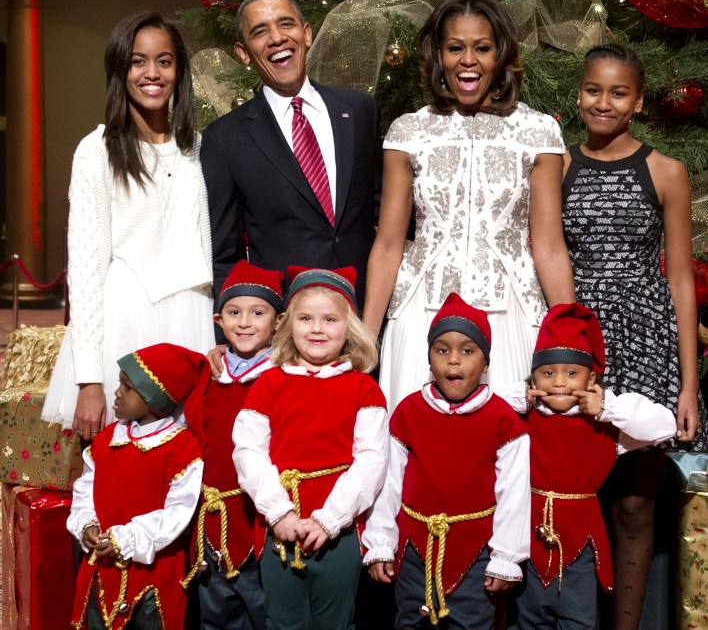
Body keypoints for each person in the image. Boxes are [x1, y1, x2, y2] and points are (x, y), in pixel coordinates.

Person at [363, 0, 575, 411]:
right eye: (455, 48)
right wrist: (366, 337)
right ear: (439, 55)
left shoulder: (537, 131)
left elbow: (548, 244)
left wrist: (570, 335)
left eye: (482, 48)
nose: (468, 61)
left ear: (501, 55)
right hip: (422, 309)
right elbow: (388, 243)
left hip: (510, 311)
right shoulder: (409, 131)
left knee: (505, 451)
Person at [561, 43, 708, 629]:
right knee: (573, 489)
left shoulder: (665, 171)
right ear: (579, 95)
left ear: (638, 101)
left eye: (618, 92)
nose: (604, 102)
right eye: (594, 89)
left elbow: (679, 279)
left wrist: (688, 383)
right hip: (576, 340)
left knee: (632, 501)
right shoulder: (558, 164)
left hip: (645, 340)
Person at [42, 12, 215, 441]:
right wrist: (88, 380)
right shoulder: (96, 151)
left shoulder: (196, 147)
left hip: (192, 316)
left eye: (164, 61)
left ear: (179, 70)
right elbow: (84, 269)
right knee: (119, 460)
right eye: (138, 61)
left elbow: (207, 242)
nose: (152, 73)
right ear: (120, 69)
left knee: (187, 459)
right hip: (127, 317)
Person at [497, 303, 676, 630]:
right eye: (548, 373)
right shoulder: (520, 420)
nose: (559, 382)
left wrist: (608, 406)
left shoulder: (606, 427)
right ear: (533, 377)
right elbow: (482, 404)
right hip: (527, 536)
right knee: (527, 617)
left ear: (591, 378)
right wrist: (517, 396)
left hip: (580, 543)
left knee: (577, 618)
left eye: (571, 372)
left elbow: (665, 426)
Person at [202, 0, 381, 309]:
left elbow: (384, 215)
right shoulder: (225, 138)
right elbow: (224, 257)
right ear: (243, 52)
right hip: (285, 324)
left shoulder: (359, 110)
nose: (277, 38)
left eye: (286, 24)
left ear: (307, 33)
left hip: (366, 314)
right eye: (260, 32)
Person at [362, 293, 530, 629]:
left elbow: (514, 493)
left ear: (485, 363)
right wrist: (380, 541)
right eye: (442, 350)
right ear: (429, 359)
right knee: (411, 621)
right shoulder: (408, 411)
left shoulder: (503, 419)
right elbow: (388, 482)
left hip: (476, 552)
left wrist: (506, 557)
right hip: (414, 551)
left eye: (467, 351)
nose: (453, 360)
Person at [232, 266, 388, 628]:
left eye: (330, 319)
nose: (317, 328)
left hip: (339, 531)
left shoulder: (364, 389)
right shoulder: (267, 384)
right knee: (282, 621)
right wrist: (279, 512)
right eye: (306, 318)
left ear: (348, 327)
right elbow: (248, 452)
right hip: (278, 529)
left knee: (335, 622)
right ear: (288, 325)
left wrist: (329, 518)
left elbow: (371, 461)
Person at [67, 343, 208, 629]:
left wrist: (126, 538)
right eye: (120, 383)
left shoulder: (181, 448)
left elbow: (179, 511)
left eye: (127, 387)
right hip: (102, 568)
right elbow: (85, 488)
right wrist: (86, 523)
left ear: (154, 399)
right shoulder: (107, 440)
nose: (117, 393)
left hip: (154, 572)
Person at [181, 260, 285, 629]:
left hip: (258, 519)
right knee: (217, 611)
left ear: (278, 322)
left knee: (262, 608)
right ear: (218, 321)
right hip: (212, 517)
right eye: (234, 312)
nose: (244, 322)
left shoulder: (282, 377)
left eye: (257, 313)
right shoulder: (207, 375)